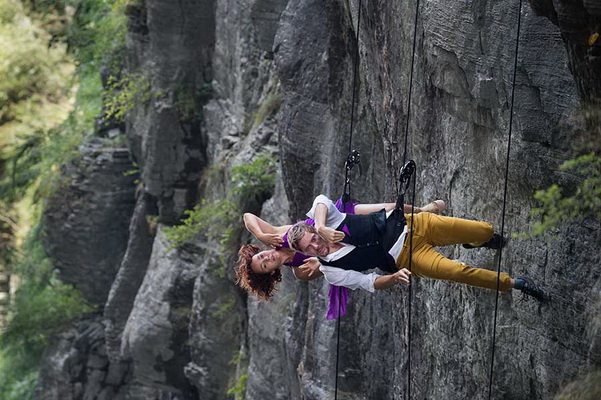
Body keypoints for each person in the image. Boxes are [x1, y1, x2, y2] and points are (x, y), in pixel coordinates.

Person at [287, 195, 547, 301]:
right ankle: (516, 283)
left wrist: (320, 226)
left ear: (312, 231)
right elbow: (368, 282)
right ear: (307, 254)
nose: (317, 247)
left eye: (314, 239)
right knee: (457, 272)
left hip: (416, 224)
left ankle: (479, 240)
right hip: (409, 258)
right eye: (311, 249)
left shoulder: (329, 221)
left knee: (485, 230)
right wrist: (393, 278)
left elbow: (320, 200)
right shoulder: (331, 270)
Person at [234, 198, 446, 305]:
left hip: (336, 220)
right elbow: (331, 264)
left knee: (389, 208)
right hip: (345, 245)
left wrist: (260, 235)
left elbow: (247, 217)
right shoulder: (300, 271)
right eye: (265, 265)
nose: (267, 258)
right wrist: (318, 262)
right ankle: (427, 238)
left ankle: (422, 211)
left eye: (261, 255)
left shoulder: (274, 237)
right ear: (271, 272)